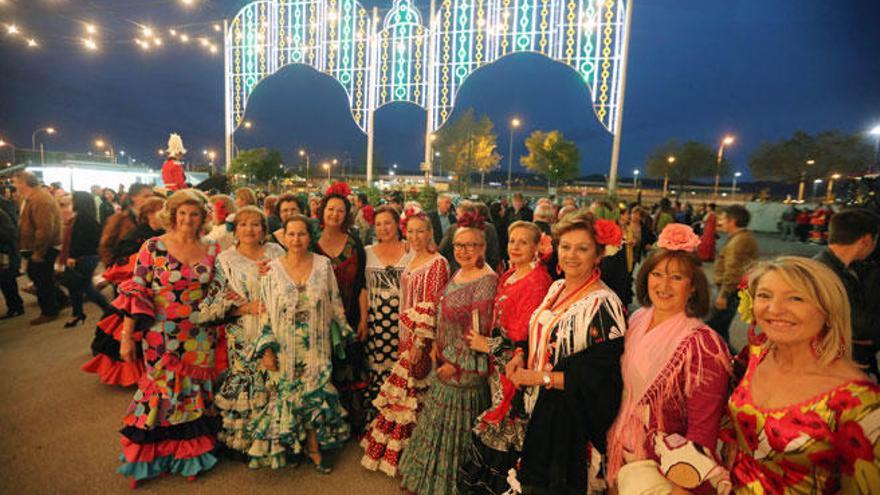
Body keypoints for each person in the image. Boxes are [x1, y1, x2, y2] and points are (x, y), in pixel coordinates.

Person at [722, 256, 880, 493]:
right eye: (765, 295)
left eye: (795, 298)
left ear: (828, 310)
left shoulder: (861, 403)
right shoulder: (758, 353)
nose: (774, 309)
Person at [506, 211, 627, 494]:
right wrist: (521, 355)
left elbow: (600, 378)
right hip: (542, 408)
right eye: (566, 247)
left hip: (570, 421)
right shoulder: (557, 287)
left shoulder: (604, 304)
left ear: (598, 255)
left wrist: (539, 379)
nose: (571, 255)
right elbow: (542, 332)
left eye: (582, 248)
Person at [607, 224, 732, 494]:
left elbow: (703, 426)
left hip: (669, 469)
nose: (663, 285)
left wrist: (681, 484)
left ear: (694, 286)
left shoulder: (703, 344)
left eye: (676, 277)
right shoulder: (638, 318)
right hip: (624, 453)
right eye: (657, 274)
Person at [116, 189, 222, 487]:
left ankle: (190, 456)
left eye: (195, 214)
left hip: (200, 336)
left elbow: (223, 291)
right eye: (182, 213)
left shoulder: (213, 249)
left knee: (193, 397)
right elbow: (136, 292)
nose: (188, 219)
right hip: (159, 336)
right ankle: (149, 458)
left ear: (203, 217)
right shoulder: (152, 247)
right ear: (173, 215)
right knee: (160, 395)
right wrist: (127, 338)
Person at [399, 214, 498, 495]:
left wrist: (456, 365)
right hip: (443, 361)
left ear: (483, 247)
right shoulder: (459, 271)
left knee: (455, 436)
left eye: (471, 246)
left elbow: (478, 333)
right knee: (435, 429)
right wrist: (434, 348)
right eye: (458, 245)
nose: (464, 251)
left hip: (462, 372)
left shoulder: (486, 281)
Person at [250, 214, 352, 472]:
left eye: (302, 233)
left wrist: (345, 332)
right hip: (285, 346)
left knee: (316, 394)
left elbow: (335, 301)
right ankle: (294, 446)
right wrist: (267, 348)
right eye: (291, 234)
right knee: (289, 395)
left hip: (317, 345)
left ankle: (315, 448)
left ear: (310, 236)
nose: (296, 239)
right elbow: (266, 311)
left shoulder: (323, 265)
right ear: (283, 236)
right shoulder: (271, 269)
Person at [458, 221, 553, 494]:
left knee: (510, 425)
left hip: (513, 367)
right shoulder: (510, 273)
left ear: (537, 247)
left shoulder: (537, 281)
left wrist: (486, 344)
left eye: (524, 242)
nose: (516, 246)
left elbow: (523, 339)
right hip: (496, 366)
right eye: (512, 240)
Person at [361, 208, 450, 476]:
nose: (415, 236)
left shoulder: (437, 262)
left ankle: (417, 458)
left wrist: (419, 344)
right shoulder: (412, 259)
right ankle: (403, 454)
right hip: (404, 335)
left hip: (419, 339)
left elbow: (431, 305)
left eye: (420, 230)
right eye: (410, 231)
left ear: (430, 232)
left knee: (416, 397)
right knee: (405, 398)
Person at [195, 206, 284, 465]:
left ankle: (275, 440)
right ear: (236, 230)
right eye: (244, 224)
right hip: (242, 329)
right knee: (248, 377)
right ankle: (246, 441)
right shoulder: (226, 260)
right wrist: (246, 307)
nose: (249, 229)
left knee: (275, 377)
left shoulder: (277, 253)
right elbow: (215, 298)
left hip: (276, 326)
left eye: (256, 224)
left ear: (264, 230)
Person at [82, 196, 165, 386]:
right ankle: (132, 373)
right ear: (148, 214)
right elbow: (121, 259)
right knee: (129, 328)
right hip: (136, 288)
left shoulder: (163, 232)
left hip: (156, 290)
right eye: (158, 211)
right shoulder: (135, 233)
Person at [316, 182, 369, 435]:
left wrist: (363, 320)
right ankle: (324, 424)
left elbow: (362, 285)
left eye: (340, 211)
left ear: (346, 215)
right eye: (330, 209)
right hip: (318, 319)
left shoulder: (355, 243)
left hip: (349, 316)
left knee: (349, 366)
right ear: (322, 211)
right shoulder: (309, 241)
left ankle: (350, 422)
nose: (334, 214)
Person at [813, 209, 880, 378]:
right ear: (866, 240)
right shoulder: (824, 272)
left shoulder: (854, 268)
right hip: (835, 367)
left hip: (853, 359)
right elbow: (859, 328)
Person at [361, 205, 413, 420]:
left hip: (404, 322)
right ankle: (378, 419)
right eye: (379, 224)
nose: (383, 228)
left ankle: (399, 420)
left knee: (401, 368)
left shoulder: (411, 251)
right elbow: (362, 289)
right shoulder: (366, 252)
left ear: (397, 225)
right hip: (377, 322)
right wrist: (363, 319)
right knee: (378, 368)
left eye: (388, 223)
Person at [14, 171, 63, 325]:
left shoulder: (40, 199)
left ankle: (50, 311)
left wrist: (39, 252)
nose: (15, 186)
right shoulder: (32, 198)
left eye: (16, 183)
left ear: (24, 183)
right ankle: (59, 300)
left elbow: (45, 229)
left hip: (44, 247)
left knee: (41, 278)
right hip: (38, 247)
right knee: (39, 276)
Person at [707, 204, 758, 346]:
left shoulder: (740, 241)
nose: (720, 222)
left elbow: (733, 270)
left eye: (723, 219)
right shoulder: (740, 237)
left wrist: (723, 295)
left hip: (729, 291)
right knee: (719, 329)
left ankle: (730, 361)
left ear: (732, 221)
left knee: (713, 328)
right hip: (731, 289)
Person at [62, 191, 111, 328]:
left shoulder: (83, 219)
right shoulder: (87, 218)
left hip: (84, 257)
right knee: (76, 287)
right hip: (87, 257)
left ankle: (110, 311)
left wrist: (73, 256)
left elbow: (80, 241)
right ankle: (77, 315)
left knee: (86, 288)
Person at [98, 183, 155, 268]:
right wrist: (113, 267)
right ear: (133, 197)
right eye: (146, 196)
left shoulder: (153, 219)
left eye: (152, 196)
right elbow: (105, 246)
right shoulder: (118, 219)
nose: (150, 200)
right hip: (124, 270)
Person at [0, 196, 23, 319]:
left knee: (7, 282)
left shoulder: (2, 213)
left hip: (5, 253)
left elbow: (11, 233)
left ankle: (16, 307)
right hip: (6, 252)